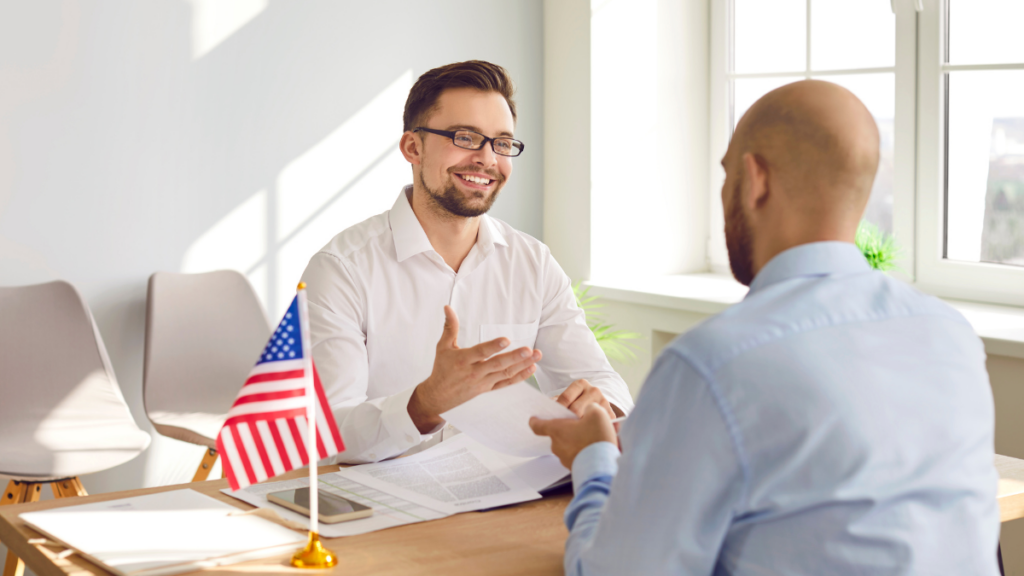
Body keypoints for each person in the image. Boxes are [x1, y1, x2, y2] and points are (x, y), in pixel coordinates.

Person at [530, 80, 1000, 575]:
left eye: (726, 172)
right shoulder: (949, 333)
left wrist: (595, 458)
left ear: (755, 179)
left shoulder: (714, 363)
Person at [300, 60, 633, 464]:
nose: (487, 159)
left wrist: (601, 406)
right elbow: (328, 433)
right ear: (413, 148)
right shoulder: (341, 269)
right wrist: (424, 404)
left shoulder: (533, 263)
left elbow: (600, 380)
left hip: (506, 493)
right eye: (466, 137)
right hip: (381, 502)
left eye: (502, 143)